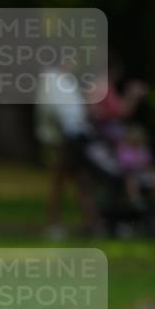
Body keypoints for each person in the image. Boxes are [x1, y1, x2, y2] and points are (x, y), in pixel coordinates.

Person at [35, 57, 102, 237]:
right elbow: (54, 111)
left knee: (79, 181)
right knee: (62, 181)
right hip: (62, 140)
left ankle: (91, 223)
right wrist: (67, 133)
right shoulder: (52, 80)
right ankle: (55, 224)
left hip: (73, 137)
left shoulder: (64, 80)